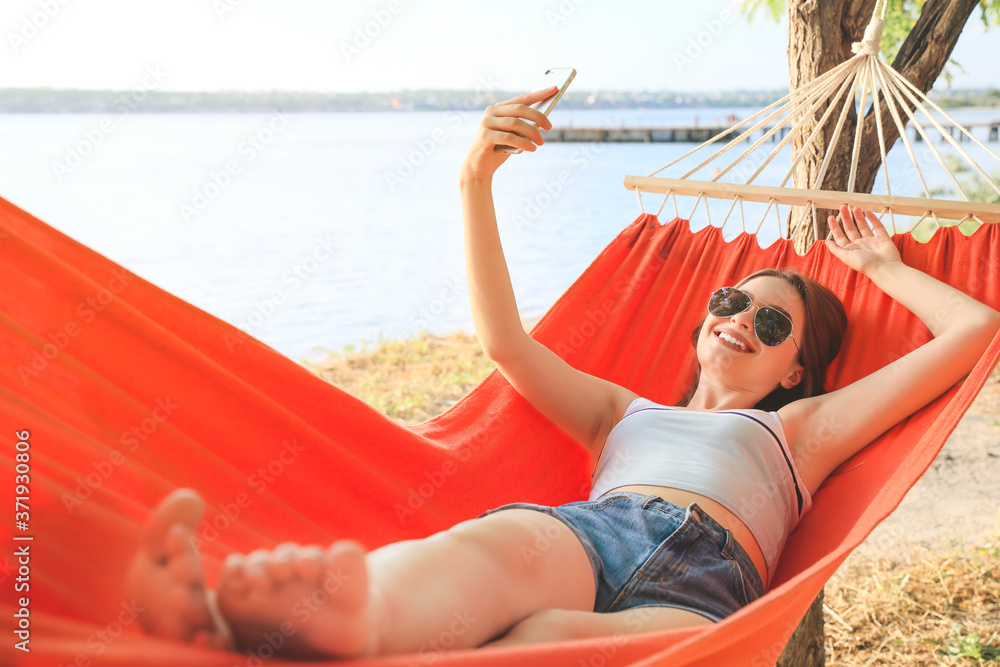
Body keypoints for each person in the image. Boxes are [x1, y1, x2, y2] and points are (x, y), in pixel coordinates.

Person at [126, 87, 1000, 660]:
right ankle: (283, 624)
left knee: (544, 647)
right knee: (485, 551)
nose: (738, 320)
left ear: (795, 365)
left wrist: (882, 268)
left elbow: (976, 327)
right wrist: (475, 178)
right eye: (731, 299)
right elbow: (506, 343)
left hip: (702, 586)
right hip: (590, 534)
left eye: (771, 322)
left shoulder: (801, 431)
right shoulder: (619, 411)